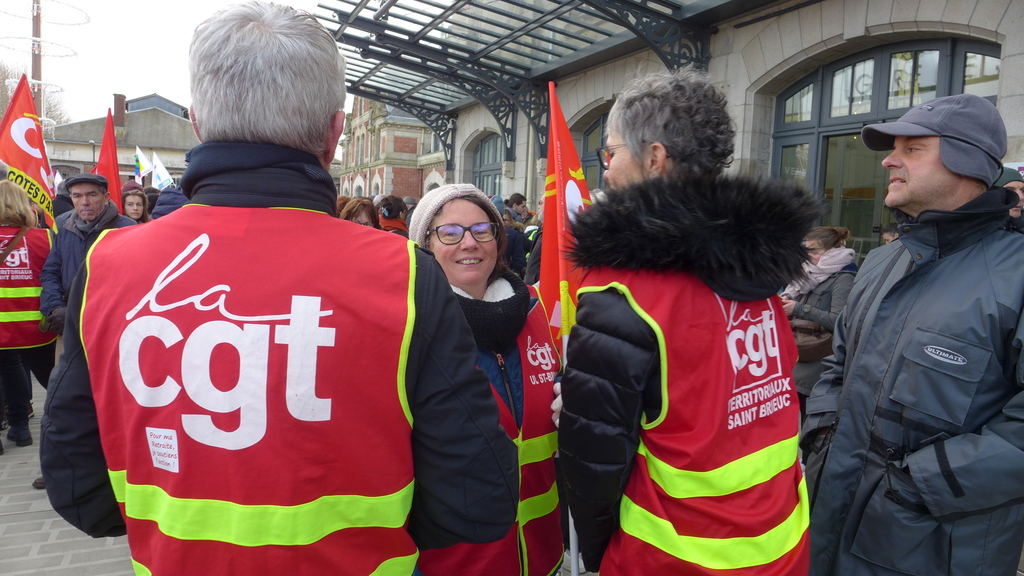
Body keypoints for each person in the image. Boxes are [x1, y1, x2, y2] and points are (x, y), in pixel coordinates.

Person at [39, 3, 518, 575]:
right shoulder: (404, 274)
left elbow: (75, 484)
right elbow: (478, 498)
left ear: (197, 121)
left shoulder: (110, 264)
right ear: (336, 132)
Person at [557, 67, 816, 575]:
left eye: (611, 154)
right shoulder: (760, 270)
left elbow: (593, 464)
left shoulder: (622, 290)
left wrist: (595, 551)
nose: (605, 172)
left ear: (654, 158)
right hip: (781, 544)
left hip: (671, 555)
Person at [802, 93, 1024, 576]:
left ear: (967, 161)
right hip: (826, 520)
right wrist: (819, 431)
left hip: (930, 547)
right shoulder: (882, 260)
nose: (888, 160)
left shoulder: (1017, 277)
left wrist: (922, 482)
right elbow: (839, 364)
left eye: (912, 148)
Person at [409, 184, 563, 576]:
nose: (469, 243)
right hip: (456, 561)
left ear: (497, 239)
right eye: (450, 232)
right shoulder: (412, 327)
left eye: (482, 229)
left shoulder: (536, 308)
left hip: (542, 551)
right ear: (424, 245)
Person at [39, 173, 135, 341]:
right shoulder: (63, 227)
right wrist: (55, 309)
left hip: (110, 328)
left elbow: (132, 282)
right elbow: (51, 272)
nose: (84, 202)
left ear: (106, 197)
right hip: (68, 325)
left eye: (91, 195)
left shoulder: (126, 229)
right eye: (77, 196)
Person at [0, 180, 57, 454]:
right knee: (54, 382)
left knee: (8, 372)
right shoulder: (43, 237)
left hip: (2, 330)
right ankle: (22, 429)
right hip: (35, 330)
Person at [780, 226, 856, 417]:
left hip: (818, 363)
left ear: (831, 252)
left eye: (813, 251)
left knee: (809, 424)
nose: (807, 255)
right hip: (798, 355)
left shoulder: (844, 278)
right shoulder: (809, 273)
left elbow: (839, 321)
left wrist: (798, 308)